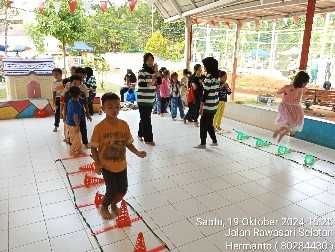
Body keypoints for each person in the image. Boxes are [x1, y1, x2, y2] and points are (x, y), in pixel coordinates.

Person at [90, 93, 147, 220]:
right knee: (112, 189)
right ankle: (104, 206)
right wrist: (98, 164)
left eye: (116, 106)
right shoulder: (99, 128)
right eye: (110, 107)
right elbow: (94, 148)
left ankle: (114, 203)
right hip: (106, 166)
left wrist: (137, 152)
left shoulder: (123, 125)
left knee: (123, 189)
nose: (114, 110)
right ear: (103, 108)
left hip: (121, 164)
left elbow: (128, 143)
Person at [273, 71, 309, 142]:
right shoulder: (288, 87)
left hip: (296, 108)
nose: (306, 84)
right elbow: (278, 92)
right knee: (289, 123)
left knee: (296, 123)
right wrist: (286, 90)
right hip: (286, 107)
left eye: (306, 83)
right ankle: (281, 132)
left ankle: (286, 134)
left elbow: (304, 93)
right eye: (305, 82)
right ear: (300, 81)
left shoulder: (302, 89)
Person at [194, 57, 220, 149]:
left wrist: (201, 106)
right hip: (214, 105)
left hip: (208, 105)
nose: (204, 67)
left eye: (205, 66)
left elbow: (205, 93)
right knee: (209, 124)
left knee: (203, 124)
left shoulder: (209, 77)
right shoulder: (217, 77)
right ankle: (214, 141)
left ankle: (203, 143)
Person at [63, 75, 92, 149]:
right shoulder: (67, 94)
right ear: (71, 83)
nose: (77, 85)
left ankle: (85, 143)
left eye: (78, 84)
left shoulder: (81, 93)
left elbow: (85, 104)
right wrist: (64, 115)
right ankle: (71, 144)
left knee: (83, 129)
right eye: (75, 83)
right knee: (72, 131)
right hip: (71, 117)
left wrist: (88, 114)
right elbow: (65, 105)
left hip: (81, 115)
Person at [137, 53, 159, 146]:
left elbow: (160, 82)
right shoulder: (141, 72)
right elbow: (141, 84)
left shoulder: (154, 72)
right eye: (148, 60)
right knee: (146, 119)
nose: (150, 62)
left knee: (144, 118)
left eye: (151, 60)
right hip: (142, 100)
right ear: (145, 61)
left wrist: (156, 71)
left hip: (150, 99)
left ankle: (140, 134)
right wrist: (151, 82)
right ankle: (148, 139)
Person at [66, 85, 85, 157]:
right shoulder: (77, 104)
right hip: (73, 124)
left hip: (70, 123)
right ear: (80, 93)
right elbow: (75, 116)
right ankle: (72, 152)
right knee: (76, 139)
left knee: (78, 137)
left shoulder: (70, 100)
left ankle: (79, 150)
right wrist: (77, 126)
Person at [51, 68, 64, 132]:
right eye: (54, 74)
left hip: (64, 99)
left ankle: (67, 125)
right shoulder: (53, 83)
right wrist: (54, 101)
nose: (55, 76)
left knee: (65, 112)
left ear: (61, 74)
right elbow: (54, 92)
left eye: (57, 74)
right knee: (56, 113)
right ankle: (56, 126)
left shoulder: (64, 82)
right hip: (58, 99)